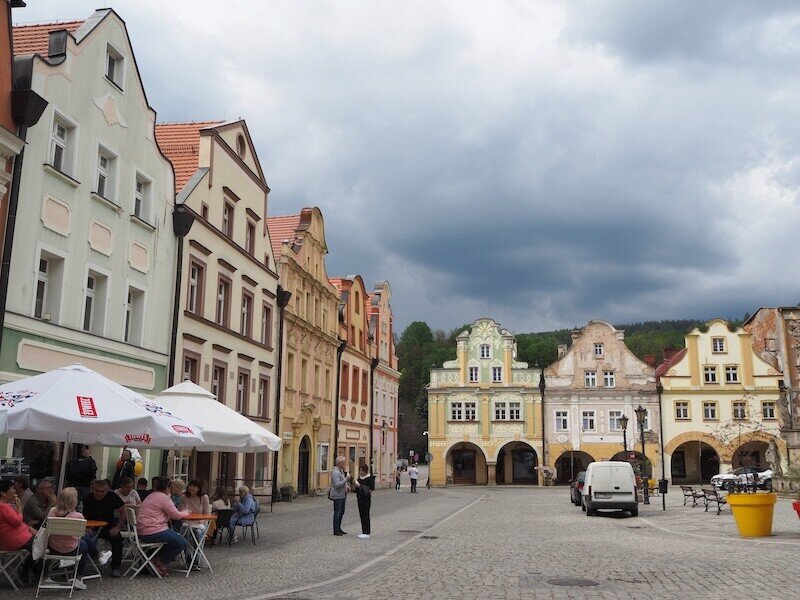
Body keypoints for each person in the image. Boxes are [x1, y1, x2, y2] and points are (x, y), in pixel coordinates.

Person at [46, 487, 111, 590]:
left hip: (53, 547)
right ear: (73, 501)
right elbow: (79, 535)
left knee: (84, 537)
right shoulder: (78, 516)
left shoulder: (52, 512)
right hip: (70, 549)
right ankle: (79, 577)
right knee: (84, 545)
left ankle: (99, 555)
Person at [137, 476, 190, 575]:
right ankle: (161, 563)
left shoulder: (151, 496)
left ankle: (156, 559)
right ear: (168, 488)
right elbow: (176, 515)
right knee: (182, 542)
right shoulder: (163, 498)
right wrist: (186, 512)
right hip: (154, 530)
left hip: (142, 531)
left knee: (172, 539)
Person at [82, 478, 127, 578]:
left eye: (102, 491)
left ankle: (115, 567)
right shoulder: (87, 498)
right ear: (93, 489)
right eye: (97, 490)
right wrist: (86, 528)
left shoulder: (112, 497)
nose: (99, 493)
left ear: (107, 490)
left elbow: (123, 511)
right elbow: (83, 516)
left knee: (117, 539)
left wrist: (118, 527)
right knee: (82, 540)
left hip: (108, 527)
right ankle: (79, 566)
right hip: (91, 528)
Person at [0, 479, 37, 584]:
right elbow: (17, 522)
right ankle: (29, 570)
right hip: (15, 539)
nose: (14, 491)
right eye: (11, 488)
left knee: (40, 544)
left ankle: (28, 569)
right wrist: (19, 508)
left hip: (14, 537)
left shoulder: (5, 506)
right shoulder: (3, 507)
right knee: (41, 546)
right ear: (3, 493)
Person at [178, 479, 211, 567]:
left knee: (198, 532)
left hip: (200, 522)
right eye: (190, 485)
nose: (191, 488)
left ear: (199, 488)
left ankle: (197, 557)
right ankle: (188, 555)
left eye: (194, 486)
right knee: (185, 530)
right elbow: (180, 511)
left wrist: (202, 522)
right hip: (187, 522)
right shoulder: (183, 497)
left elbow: (207, 513)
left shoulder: (204, 497)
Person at [353, 464, 375, 539]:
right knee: (361, 515)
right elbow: (356, 490)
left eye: (362, 470)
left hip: (366, 499)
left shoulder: (370, 478)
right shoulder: (360, 478)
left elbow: (371, 488)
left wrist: (359, 486)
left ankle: (367, 532)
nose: (361, 472)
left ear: (365, 471)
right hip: (360, 498)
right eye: (360, 470)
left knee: (366, 515)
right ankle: (363, 531)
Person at [329, 456, 349, 536]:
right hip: (337, 495)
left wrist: (347, 486)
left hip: (342, 494)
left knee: (341, 512)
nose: (344, 464)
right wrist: (346, 480)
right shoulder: (336, 473)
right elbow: (337, 485)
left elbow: (342, 483)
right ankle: (336, 530)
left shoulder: (340, 471)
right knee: (337, 512)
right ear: (339, 463)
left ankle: (339, 528)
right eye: (343, 462)